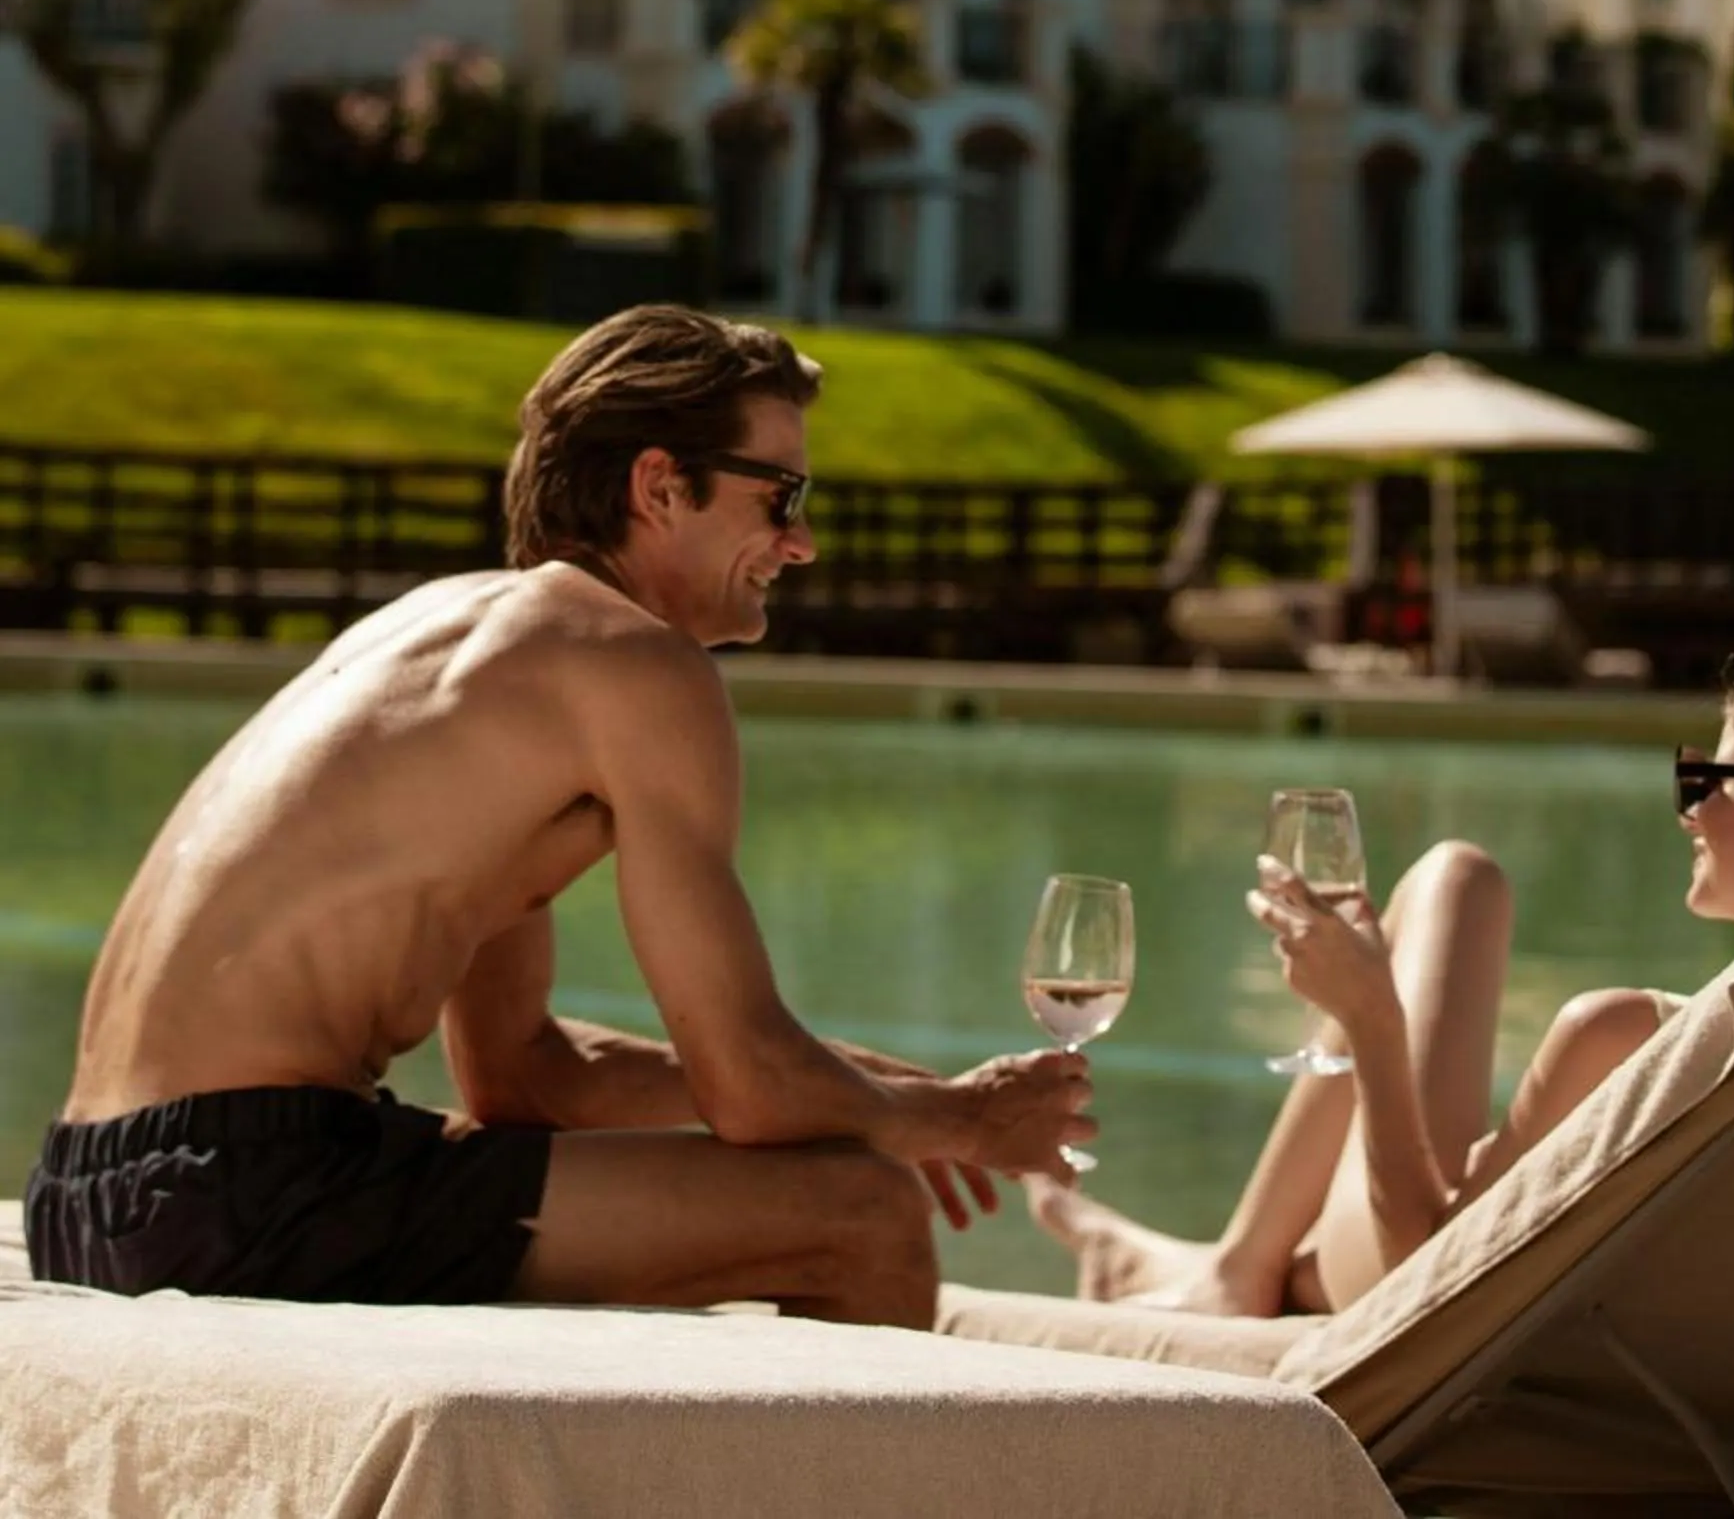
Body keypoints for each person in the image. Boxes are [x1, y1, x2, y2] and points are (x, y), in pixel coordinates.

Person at [26, 306, 1091, 1323]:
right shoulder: (637, 664)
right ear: (660, 485)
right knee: (861, 1214)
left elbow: (524, 1073)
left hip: (88, 1188)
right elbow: (750, 1091)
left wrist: (856, 1089)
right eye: (781, 496)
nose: (801, 542)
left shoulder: (455, 634)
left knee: (829, 1169)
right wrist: (962, 1119)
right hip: (244, 1186)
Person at [1032, 657, 1734, 1318]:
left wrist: (1370, 1019)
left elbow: (1426, 1276)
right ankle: (1223, 1264)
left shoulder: (1626, 1036)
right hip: (1726, 1391)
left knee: (1455, 880)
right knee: (1455, 885)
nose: (1689, 811)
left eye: (1707, 780)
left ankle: (1231, 1271)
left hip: (1455, 1316)